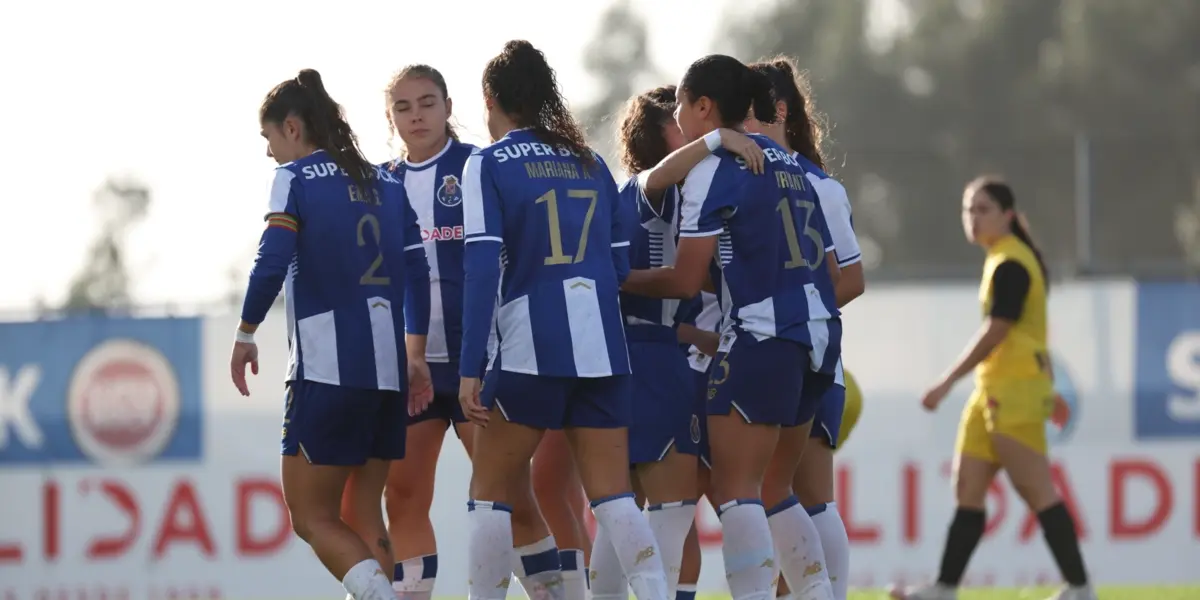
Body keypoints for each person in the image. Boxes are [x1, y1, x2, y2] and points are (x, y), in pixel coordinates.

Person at [621, 54, 842, 600]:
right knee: (777, 489)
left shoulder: (714, 169)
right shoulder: (793, 165)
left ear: (703, 107)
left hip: (760, 337)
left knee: (737, 489)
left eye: (679, 106)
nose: (676, 116)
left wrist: (619, 279)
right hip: (817, 340)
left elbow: (685, 278)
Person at [458, 40, 671, 600]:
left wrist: (468, 366)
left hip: (534, 345)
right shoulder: (593, 163)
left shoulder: (487, 162)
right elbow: (621, 264)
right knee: (614, 497)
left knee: (488, 494)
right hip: (603, 344)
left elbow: (480, 270)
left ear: (490, 98)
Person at [229, 68, 433, 600]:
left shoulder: (295, 178)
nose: (270, 152)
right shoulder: (388, 182)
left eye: (269, 138)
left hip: (325, 372)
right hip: (386, 374)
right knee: (362, 514)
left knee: (310, 516)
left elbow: (271, 262)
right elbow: (418, 272)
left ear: (292, 128)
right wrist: (415, 353)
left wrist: (246, 331)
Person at [589, 84, 760, 600]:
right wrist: (720, 139)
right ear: (654, 134)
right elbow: (659, 285)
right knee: (672, 507)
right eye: (678, 119)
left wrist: (699, 335)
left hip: (645, 354)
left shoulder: (668, 198)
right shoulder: (647, 187)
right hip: (654, 367)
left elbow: (656, 303)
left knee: (627, 506)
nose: (687, 126)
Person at [891, 177, 1093, 600]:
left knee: (1037, 490)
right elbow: (1032, 335)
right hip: (994, 392)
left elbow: (999, 331)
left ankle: (1080, 588)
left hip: (1013, 392)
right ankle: (944, 588)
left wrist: (946, 382)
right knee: (968, 486)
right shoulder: (1001, 258)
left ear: (1008, 215)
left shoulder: (1011, 263)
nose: (974, 217)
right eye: (969, 209)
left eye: (983, 209)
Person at [745, 57, 866, 600]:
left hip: (805, 351)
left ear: (778, 111)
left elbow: (853, 278)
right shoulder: (751, 174)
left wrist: (796, 310)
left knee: (807, 496)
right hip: (796, 349)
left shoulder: (816, 184)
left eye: (744, 110)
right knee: (791, 498)